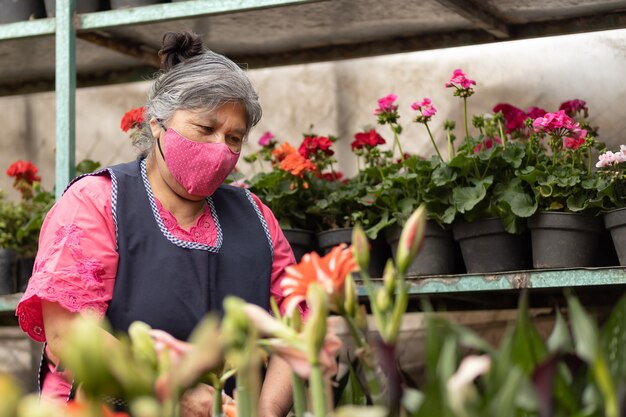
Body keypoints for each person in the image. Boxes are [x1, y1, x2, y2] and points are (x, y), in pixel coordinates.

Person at [15, 31, 301, 417]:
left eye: (234, 138)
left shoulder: (255, 216)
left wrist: (265, 410)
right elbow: (69, 334)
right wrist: (176, 389)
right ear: (156, 124)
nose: (220, 149)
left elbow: (297, 322)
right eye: (205, 129)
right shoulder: (98, 202)